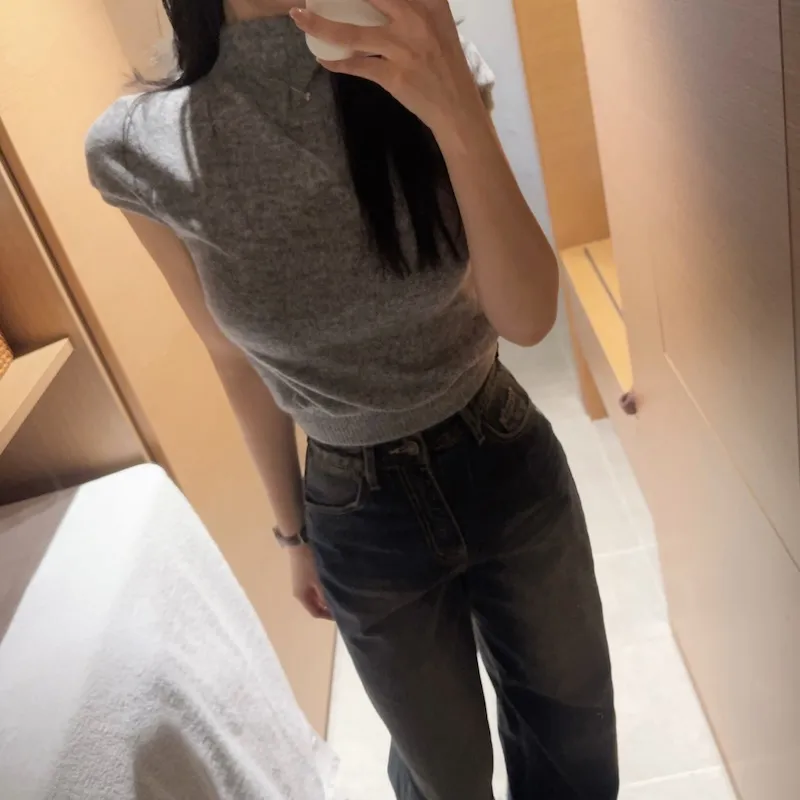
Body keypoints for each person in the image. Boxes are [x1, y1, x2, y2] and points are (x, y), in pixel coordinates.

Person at [86, 1, 618, 797]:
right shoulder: (138, 147)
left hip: (500, 449)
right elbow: (232, 359)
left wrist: (452, 102)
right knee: (445, 778)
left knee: (572, 748)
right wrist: (292, 535)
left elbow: (528, 315)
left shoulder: (417, 55)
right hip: (357, 510)